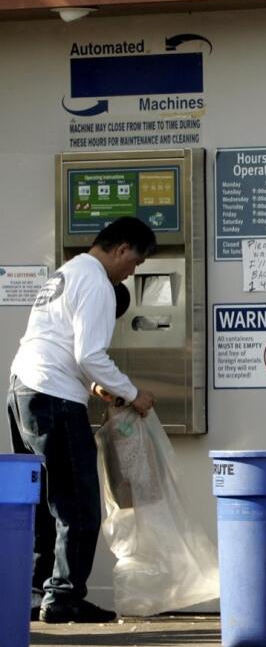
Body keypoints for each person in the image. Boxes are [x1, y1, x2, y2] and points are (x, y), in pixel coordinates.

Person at [7, 216, 158, 625]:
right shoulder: (95, 280)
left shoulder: (67, 272)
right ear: (122, 248)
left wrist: (94, 387)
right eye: (135, 263)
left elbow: (64, 345)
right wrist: (132, 393)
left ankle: (37, 590)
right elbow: (90, 354)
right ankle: (64, 596)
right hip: (54, 396)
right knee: (78, 503)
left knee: (42, 502)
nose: (132, 272)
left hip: (25, 389)